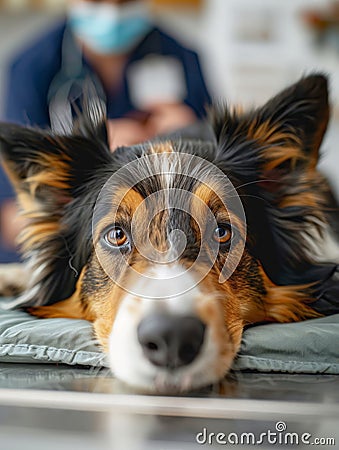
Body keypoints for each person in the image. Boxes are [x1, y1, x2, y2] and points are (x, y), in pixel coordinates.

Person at [0, 0, 211, 262]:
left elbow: (217, 192)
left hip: (169, 251)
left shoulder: (183, 58)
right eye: (96, 0)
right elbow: (13, 223)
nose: (111, 13)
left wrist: (191, 139)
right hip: (64, 263)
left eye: (125, 1)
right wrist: (86, 159)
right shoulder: (31, 68)